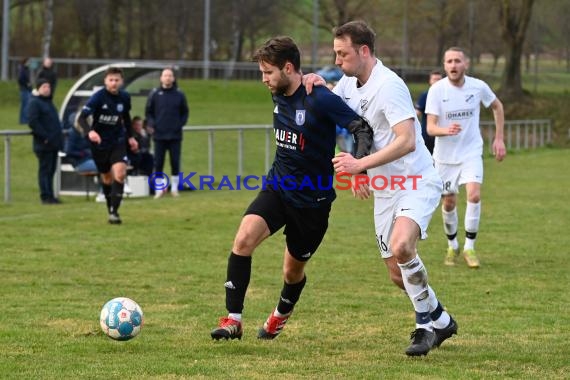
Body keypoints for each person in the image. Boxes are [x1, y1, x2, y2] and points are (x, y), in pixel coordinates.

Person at [305, 20, 457, 356]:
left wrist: (359, 166)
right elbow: (341, 111)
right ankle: (442, 319)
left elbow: (406, 142)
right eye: (335, 54)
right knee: (395, 274)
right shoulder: (347, 83)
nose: (337, 60)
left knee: (403, 247)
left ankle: (424, 328)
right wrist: (317, 85)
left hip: (415, 180)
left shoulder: (389, 86)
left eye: (342, 54)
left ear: (363, 51)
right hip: (385, 187)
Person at [210, 36, 373, 342]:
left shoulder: (320, 98)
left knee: (291, 271)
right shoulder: (280, 91)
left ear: (287, 68)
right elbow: (295, 85)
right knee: (243, 239)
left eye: (268, 72)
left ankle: (281, 314)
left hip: (313, 200)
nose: (264, 80)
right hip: (278, 186)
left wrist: (359, 166)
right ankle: (233, 320)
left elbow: (361, 127)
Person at [425, 47, 506, 268]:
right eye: (449, 61)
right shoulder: (437, 90)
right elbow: (430, 127)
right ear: (444, 66)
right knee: (449, 202)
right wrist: (445, 130)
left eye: (457, 61)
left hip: (471, 152)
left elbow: (497, 107)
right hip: (444, 158)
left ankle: (470, 247)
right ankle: (453, 245)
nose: (453, 65)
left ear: (466, 64)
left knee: (474, 194)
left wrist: (499, 139)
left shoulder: (478, 87)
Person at [77, 67, 138, 224]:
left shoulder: (124, 98)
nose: (114, 83)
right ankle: (110, 207)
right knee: (106, 177)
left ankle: (115, 213)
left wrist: (131, 137)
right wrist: (90, 132)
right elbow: (81, 119)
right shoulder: (97, 98)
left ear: (121, 81)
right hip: (100, 144)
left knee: (120, 174)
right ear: (105, 81)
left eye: (117, 80)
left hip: (118, 141)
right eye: (111, 80)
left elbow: (126, 117)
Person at [145, 67, 189, 198]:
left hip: (175, 135)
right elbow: (149, 112)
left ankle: (174, 188)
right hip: (159, 135)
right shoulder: (155, 94)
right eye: (165, 75)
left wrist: (179, 124)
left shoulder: (179, 94)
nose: (168, 78)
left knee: (175, 162)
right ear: (161, 78)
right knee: (158, 162)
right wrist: (152, 124)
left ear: (173, 78)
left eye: (170, 75)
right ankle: (159, 190)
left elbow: (185, 112)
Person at [28, 79, 63, 204]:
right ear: (38, 88)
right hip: (44, 144)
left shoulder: (48, 102)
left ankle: (51, 195)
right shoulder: (34, 103)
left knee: (51, 171)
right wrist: (45, 137)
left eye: (48, 86)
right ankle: (45, 196)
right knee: (45, 170)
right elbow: (33, 122)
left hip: (53, 144)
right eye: (44, 87)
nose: (47, 89)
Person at [415, 70, 442, 154]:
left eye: (439, 79)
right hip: (428, 136)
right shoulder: (426, 95)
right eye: (434, 79)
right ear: (430, 81)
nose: (437, 82)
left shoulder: (447, 95)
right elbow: (416, 114)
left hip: (443, 135)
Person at [18, 58, 32, 125]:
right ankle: (24, 120)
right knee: (26, 105)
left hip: (26, 89)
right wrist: (27, 84)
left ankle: (22, 120)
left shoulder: (26, 69)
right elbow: (20, 79)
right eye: (28, 62)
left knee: (24, 105)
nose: (29, 63)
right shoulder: (23, 69)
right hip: (24, 89)